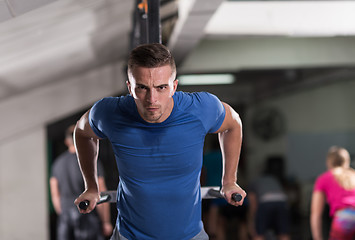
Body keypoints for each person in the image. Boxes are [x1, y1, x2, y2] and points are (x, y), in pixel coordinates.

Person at [73, 43, 246, 240]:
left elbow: (233, 123)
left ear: (174, 86)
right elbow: (82, 131)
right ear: (130, 88)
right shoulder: (110, 113)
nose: (152, 99)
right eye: (142, 88)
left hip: (189, 235)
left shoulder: (200, 109)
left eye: (161, 87)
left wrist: (229, 180)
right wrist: (91, 187)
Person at [50, 124, 113, 240]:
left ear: (66, 142)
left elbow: (55, 195)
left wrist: (63, 214)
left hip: (65, 218)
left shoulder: (57, 164)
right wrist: (106, 221)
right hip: (88, 218)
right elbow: (100, 193)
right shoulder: (91, 162)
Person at [310, 146, 355, 240]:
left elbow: (316, 213)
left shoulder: (324, 178)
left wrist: (318, 238)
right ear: (347, 161)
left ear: (328, 162)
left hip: (344, 219)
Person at [247, 157, 290, 240]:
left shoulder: (253, 182)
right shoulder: (274, 179)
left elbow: (253, 206)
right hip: (282, 202)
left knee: (259, 234)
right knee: (283, 233)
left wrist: (252, 222)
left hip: (265, 202)